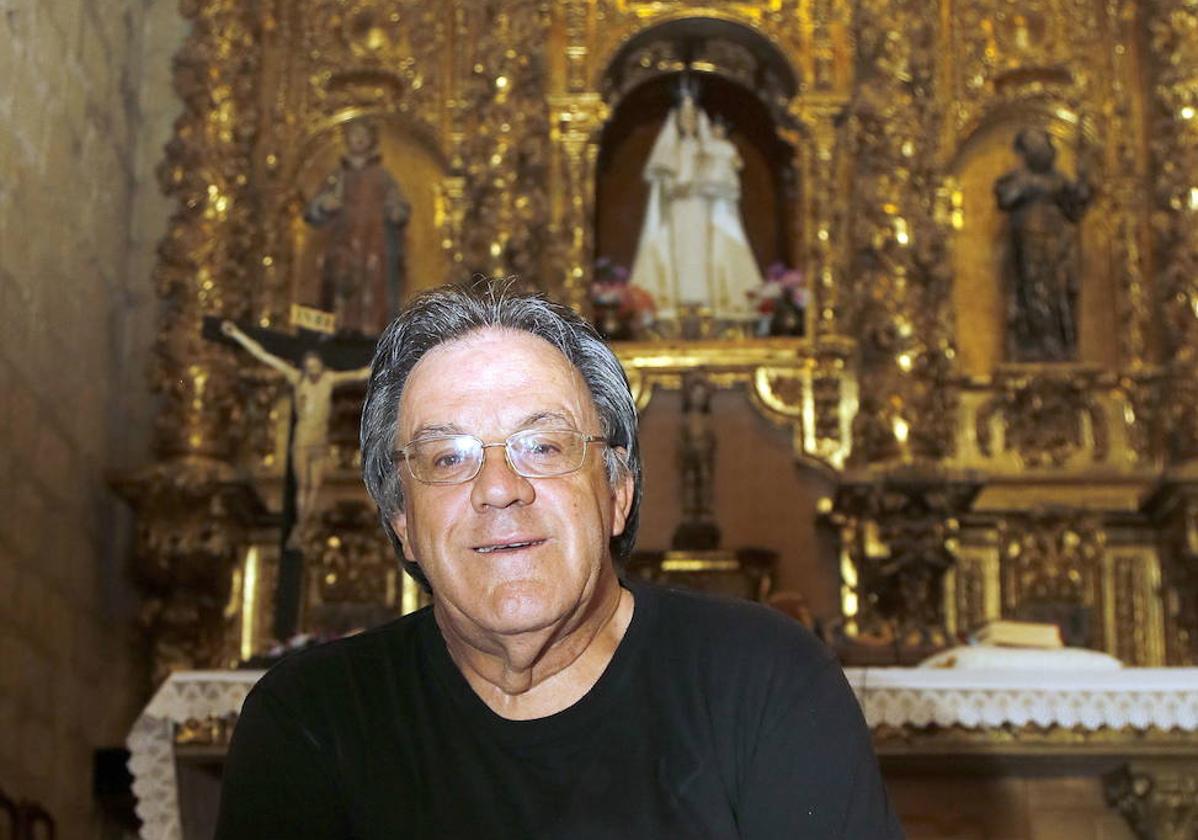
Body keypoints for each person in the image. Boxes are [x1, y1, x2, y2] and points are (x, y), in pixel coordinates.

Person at [216, 281, 904, 838]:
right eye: (447, 458)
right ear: (403, 522)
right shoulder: (310, 720)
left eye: (542, 447)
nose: (498, 489)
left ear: (618, 492)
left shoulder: (766, 683)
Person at [220, 320, 371, 544]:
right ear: (305, 368)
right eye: (309, 368)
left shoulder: (329, 380)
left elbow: (360, 374)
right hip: (302, 440)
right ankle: (301, 527)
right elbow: (265, 356)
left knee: (315, 487)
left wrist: (390, 357)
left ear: (321, 367)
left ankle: (304, 526)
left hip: (320, 442)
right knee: (304, 486)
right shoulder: (296, 378)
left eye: (315, 367)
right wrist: (237, 334)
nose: (312, 371)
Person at [629, 86, 763, 323]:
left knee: (704, 253)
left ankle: (707, 304)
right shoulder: (670, 150)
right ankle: (677, 305)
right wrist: (676, 188)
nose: (688, 123)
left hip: (702, 210)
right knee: (679, 255)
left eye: (692, 118)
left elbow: (723, 180)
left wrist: (705, 184)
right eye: (684, 118)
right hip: (678, 212)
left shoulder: (708, 149)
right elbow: (663, 187)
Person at [994, 127, 1093, 362]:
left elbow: (1075, 208)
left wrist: (1086, 181)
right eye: (1035, 145)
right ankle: (1034, 344)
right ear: (1025, 152)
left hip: (1058, 248)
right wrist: (1036, 186)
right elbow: (1006, 197)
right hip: (1028, 248)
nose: (1043, 151)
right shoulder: (1016, 181)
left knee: (1060, 296)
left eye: (1045, 145)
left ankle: (1058, 345)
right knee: (1032, 295)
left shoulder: (1059, 181)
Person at [305, 118, 411, 336]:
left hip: (374, 243)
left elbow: (399, 206)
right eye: (354, 135)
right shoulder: (337, 176)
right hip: (342, 242)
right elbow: (313, 212)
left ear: (371, 140)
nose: (359, 139)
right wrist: (324, 204)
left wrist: (396, 211)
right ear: (346, 140)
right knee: (342, 282)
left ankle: (371, 330)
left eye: (363, 134)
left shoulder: (382, 176)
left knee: (373, 285)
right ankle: (340, 328)